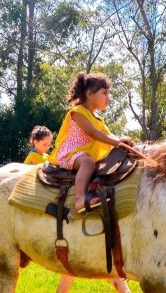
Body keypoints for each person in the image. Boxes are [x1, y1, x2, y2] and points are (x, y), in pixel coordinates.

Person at [48, 71, 133, 214]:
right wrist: (118, 142)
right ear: (89, 94)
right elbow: (93, 133)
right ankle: (80, 200)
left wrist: (122, 141)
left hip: (84, 154)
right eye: (104, 93)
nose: (108, 97)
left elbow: (108, 134)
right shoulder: (78, 112)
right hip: (70, 154)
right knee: (88, 163)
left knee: (99, 162)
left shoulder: (98, 118)